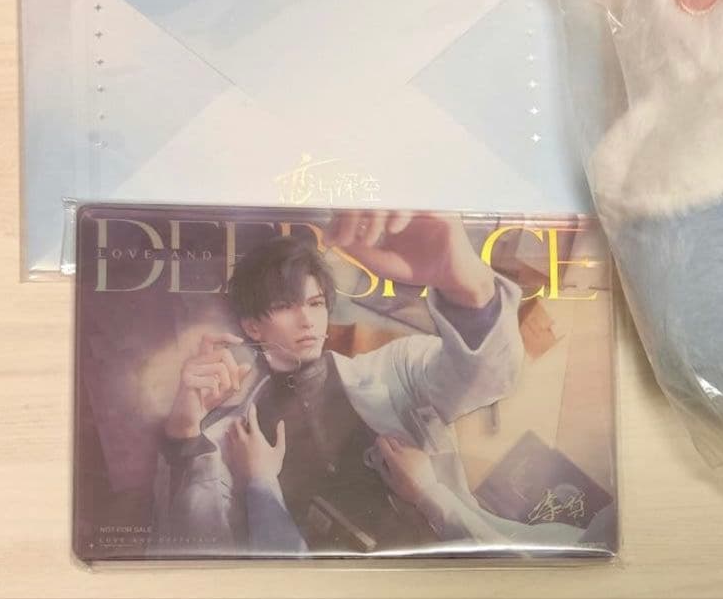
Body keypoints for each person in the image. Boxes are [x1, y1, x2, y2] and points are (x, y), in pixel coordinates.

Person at [151, 210, 538, 554]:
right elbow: (197, 546)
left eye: (315, 303)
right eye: (285, 306)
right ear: (252, 326)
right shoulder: (228, 437)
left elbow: (487, 378)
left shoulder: (396, 368)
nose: (307, 320)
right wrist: (183, 435)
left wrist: (469, 288)